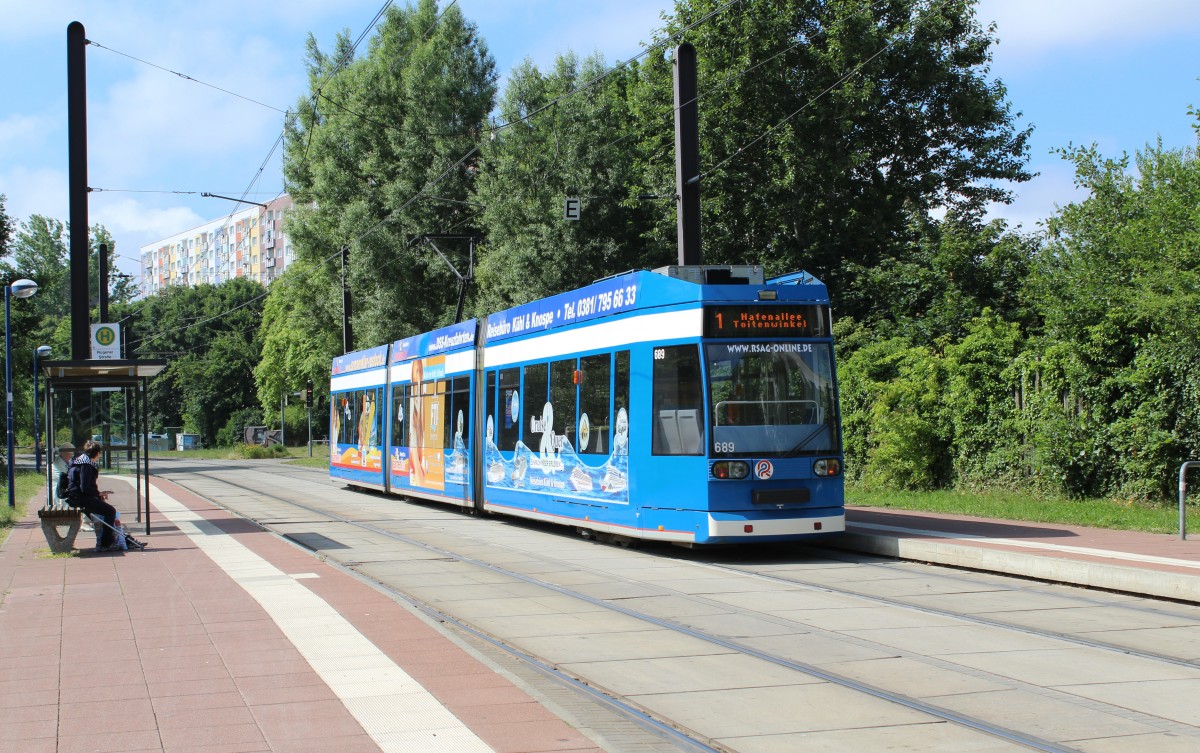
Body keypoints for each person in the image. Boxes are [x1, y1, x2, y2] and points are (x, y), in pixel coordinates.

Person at [66, 440, 119, 552]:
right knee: (110, 511)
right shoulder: (86, 465)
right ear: (97, 453)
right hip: (80, 498)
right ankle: (105, 543)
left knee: (104, 511)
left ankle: (107, 540)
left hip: (76, 496)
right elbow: (85, 488)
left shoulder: (81, 461)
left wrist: (98, 494)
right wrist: (98, 494)